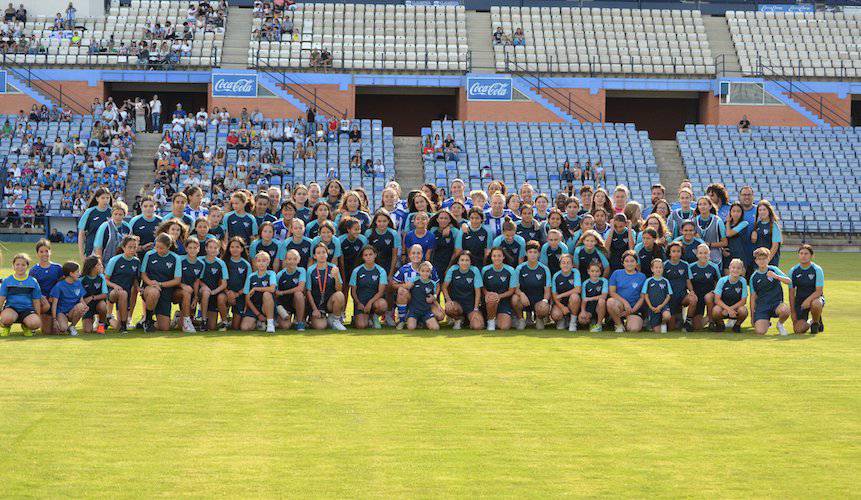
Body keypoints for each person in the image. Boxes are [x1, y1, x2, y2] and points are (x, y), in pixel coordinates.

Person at [140, 233, 183, 332]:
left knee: (165, 328)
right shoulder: (149, 254)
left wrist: (160, 284)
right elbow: (143, 274)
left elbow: (177, 280)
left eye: (162, 248)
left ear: (168, 247)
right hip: (150, 288)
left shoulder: (175, 258)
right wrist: (151, 283)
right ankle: (148, 320)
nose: (158, 249)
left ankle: (172, 319)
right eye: (157, 247)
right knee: (153, 292)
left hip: (166, 291)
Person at [749, 247, 791, 336]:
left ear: (768, 259)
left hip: (776, 304)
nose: (762, 261)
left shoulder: (774, 269)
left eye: (764, 259)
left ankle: (780, 324)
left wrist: (776, 276)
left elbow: (788, 281)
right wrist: (752, 317)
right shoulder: (754, 276)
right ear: (756, 261)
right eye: (759, 259)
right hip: (762, 307)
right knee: (760, 332)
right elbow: (753, 297)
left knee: (785, 310)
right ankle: (766, 321)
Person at [104, 235, 141, 334]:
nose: (132, 249)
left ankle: (108, 319)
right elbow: (105, 280)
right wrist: (115, 286)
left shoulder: (136, 262)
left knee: (117, 325)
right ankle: (124, 327)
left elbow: (135, 279)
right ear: (123, 247)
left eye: (134, 247)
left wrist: (138, 288)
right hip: (112, 292)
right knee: (123, 293)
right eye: (130, 247)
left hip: (125, 295)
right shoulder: (114, 260)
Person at [305, 242, 347, 330]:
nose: (321, 255)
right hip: (317, 304)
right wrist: (315, 309)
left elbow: (339, 289)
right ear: (315, 256)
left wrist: (336, 277)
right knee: (321, 327)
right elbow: (308, 291)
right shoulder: (310, 270)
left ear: (327, 254)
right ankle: (313, 319)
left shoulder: (333, 268)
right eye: (318, 253)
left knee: (339, 295)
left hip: (329, 303)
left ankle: (336, 320)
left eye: (323, 252)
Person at [0, 253, 43, 336]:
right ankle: (6, 326)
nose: (20, 267)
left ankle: (26, 325)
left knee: (36, 324)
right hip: (11, 309)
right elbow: (1, 298)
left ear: (27, 266)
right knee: (6, 319)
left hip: (27, 309)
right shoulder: (7, 281)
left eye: (23, 265)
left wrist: (37, 315)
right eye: (17, 264)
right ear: (13, 266)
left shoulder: (33, 281)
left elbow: (36, 300)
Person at [513, 241, 552, 330]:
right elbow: (516, 289)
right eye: (530, 252)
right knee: (515, 298)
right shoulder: (520, 268)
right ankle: (521, 319)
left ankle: (539, 318)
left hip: (538, 302)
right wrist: (522, 294)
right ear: (526, 254)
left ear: (538, 254)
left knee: (544, 308)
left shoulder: (544, 269)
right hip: (525, 300)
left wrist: (545, 301)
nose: (533, 255)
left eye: (535, 252)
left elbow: (547, 291)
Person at [348, 245, 388, 329]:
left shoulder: (381, 271)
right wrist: (358, 303)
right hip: (361, 302)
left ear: (375, 255)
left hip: (375, 301)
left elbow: (381, 291)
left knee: (382, 305)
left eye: (370, 254)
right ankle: (359, 318)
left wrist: (370, 303)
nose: (368, 257)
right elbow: (353, 292)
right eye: (366, 255)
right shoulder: (356, 271)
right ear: (362, 257)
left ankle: (374, 317)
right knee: (361, 325)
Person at [607, 250, 646, 333]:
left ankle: (627, 322)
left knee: (634, 329)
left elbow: (642, 297)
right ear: (623, 263)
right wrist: (625, 303)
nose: (629, 263)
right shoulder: (616, 273)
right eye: (626, 261)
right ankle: (619, 325)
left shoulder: (642, 276)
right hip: (620, 305)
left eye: (632, 261)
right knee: (610, 302)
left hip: (634, 308)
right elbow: (612, 292)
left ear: (636, 263)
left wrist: (631, 310)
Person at [442, 252, 484, 331]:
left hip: (470, 306)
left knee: (478, 326)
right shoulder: (453, 269)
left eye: (467, 260)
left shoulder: (475, 270)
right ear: (458, 262)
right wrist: (448, 300)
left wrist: (475, 309)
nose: (464, 262)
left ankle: (468, 320)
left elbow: (478, 292)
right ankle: (458, 319)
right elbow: (444, 287)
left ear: (470, 262)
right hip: (457, 305)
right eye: (462, 260)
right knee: (449, 307)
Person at [789, 244, 825, 335]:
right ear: (798, 255)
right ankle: (811, 321)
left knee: (816, 304)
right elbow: (791, 294)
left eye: (806, 253)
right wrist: (793, 312)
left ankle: (816, 324)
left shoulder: (817, 269)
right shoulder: (793, 271)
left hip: (815, 299)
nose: (803, 256)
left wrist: (808, 301)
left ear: (811, 256)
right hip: (800, 302)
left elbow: (819, 291)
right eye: (801, 253)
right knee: (798, 330)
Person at [29, 239, 63, 336]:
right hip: (42, 303)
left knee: (58, 331)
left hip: (55, 302)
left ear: (50, 252)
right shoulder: (34, 270)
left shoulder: (57, 268)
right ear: (37, 254)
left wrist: (54, 295)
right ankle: (35, 319)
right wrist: (40, 296)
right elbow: (32, 288)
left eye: (46, 251)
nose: (44, 254)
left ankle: (58, 320)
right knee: (47, 332)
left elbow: (61, 285)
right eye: (41, 251)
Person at [49, 262, 89, 336]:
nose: (79, 274)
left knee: (81, 306)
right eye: (77, 272)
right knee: (63, 329)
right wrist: (54, 320)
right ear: (71, 273)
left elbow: (81, 299)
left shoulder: (78, 283)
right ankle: (64, 325)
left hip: (73, 311)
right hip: (61, 312)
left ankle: (72, 327)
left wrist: (85, 306)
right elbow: (54, 305)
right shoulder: (59, 286)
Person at [687, 243, 721, 331]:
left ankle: (711, 321)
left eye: (705, 253)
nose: (703, 255)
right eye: (701, 253)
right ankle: (698, 319)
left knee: (708, 297)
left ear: (709, 254)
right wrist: (691, 292)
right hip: (698, 298)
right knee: (697, 327)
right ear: (697, 254)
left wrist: (714, 292)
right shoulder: (691, 267)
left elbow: (719, 282)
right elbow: (688, 281)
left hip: (710, 297)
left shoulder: (714, 267)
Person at [241, 252, 277, 333]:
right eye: (259, 261)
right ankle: (259, 322)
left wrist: (256, 288)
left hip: (267, 306)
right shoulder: (251, 276)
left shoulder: (271, 274)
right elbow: (247, 297)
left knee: (267, 294)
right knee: (245, 327)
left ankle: (270, 323)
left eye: (264, 261)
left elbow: (272, 289)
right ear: (256, 263)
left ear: (268, 262)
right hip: (255, 307)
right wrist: (258, 314)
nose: (261, 263)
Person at [712, 258, 749, 333]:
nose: (735, 270)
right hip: (723, 308)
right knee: (716, 310)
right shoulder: (722, 280)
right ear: (729, 268)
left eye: (738, 268)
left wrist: (731, 309)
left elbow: (743, 301)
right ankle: (720, 325)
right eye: (733, 267)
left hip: (736, 308)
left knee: (743, 310)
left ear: (742, 270)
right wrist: (727, 309)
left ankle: (737, 325)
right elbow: (717, 299)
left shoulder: (743, 281)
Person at [275, 249, 306, 331]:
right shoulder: (280, 274)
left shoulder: (302, 271)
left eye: (295, 259)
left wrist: (283, 292)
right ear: (285, 261)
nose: (292, 261)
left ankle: (299, 322)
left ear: (299, 260)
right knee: (285, 326)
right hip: (284, 303)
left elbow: (300, 288)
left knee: (298, 294)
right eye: (289, 259)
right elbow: (276, 293)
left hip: (296, 302)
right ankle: (279, 319)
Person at [403, 262, 439, 331]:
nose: (425, 273)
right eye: (422, 271)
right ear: (418, 271)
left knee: (435, 328)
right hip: (414, 311)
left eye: (427, 271)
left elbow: (434, 294)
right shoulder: (414, 280)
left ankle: (423, 322)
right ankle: (408, 317)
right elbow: (406, 290)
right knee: (411, 327)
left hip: (426, 311)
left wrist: (434, 297)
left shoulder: (433, 283)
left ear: (430, 272)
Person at [550, 253, 581, 332]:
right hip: (561, 303)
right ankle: (563, 319)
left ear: (572, 265)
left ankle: (573, 322)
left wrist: (561, 295)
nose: (566, 265)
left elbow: (577, 289)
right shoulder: (556, 276)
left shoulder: (575, 272)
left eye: (568, 263)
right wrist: (562, 307)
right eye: (563, 263)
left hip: (572, 302)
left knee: (575, 296)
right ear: (560, 265)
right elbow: (554, 295)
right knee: (556, 315)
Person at [641, 259, 673, 333]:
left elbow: (668, 296)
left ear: (663, 269)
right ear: (652, 269)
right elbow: (646, 295)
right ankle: (650, 322)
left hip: (663, 306)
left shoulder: (665, 281)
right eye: (656, 267)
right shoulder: (648, 281)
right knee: (657, 331)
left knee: (667, 316)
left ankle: (663, 323)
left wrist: (661, 306)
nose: (658, 269)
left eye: (660, 267)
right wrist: (650, 306)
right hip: (653, 307)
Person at [578, 262, 608, 332]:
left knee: (601, 300)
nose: (595, 273)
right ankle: (592, 321)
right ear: (588, 272)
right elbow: (584, 300)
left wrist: (590, 298)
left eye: (597, 271)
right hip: (590, 307)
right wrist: (583, 311)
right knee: (581, 319)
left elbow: (604, 296)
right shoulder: (585, 283)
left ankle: (599, 325)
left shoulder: (604, 281)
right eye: (592, 271)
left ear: (600, 272)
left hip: (600, 307)